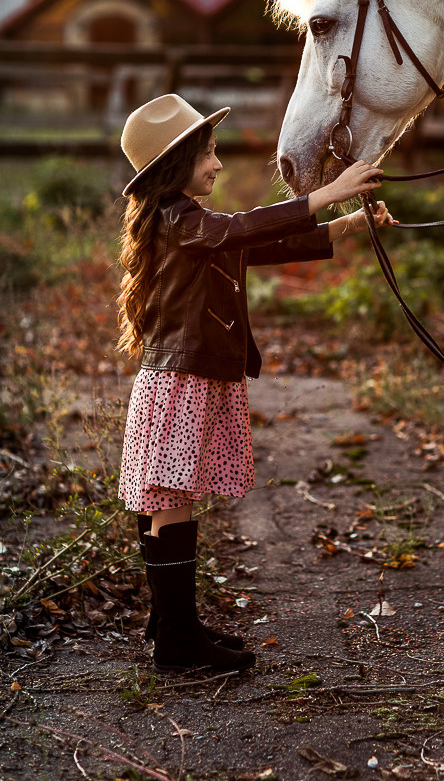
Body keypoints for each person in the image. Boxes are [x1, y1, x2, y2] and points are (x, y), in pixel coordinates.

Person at [116, 93, 393, 675]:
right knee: (170, 499)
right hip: (181, 382)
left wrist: (347, 222)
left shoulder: (191, 225)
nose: (217, 164)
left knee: (171, 499)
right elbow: (238, 228)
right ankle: (177, 639)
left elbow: (258, 242)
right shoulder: (181, 220)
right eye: (207, 154)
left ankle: (172, 624)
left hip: (193, 379)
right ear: (173, 167)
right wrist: (324, 193)